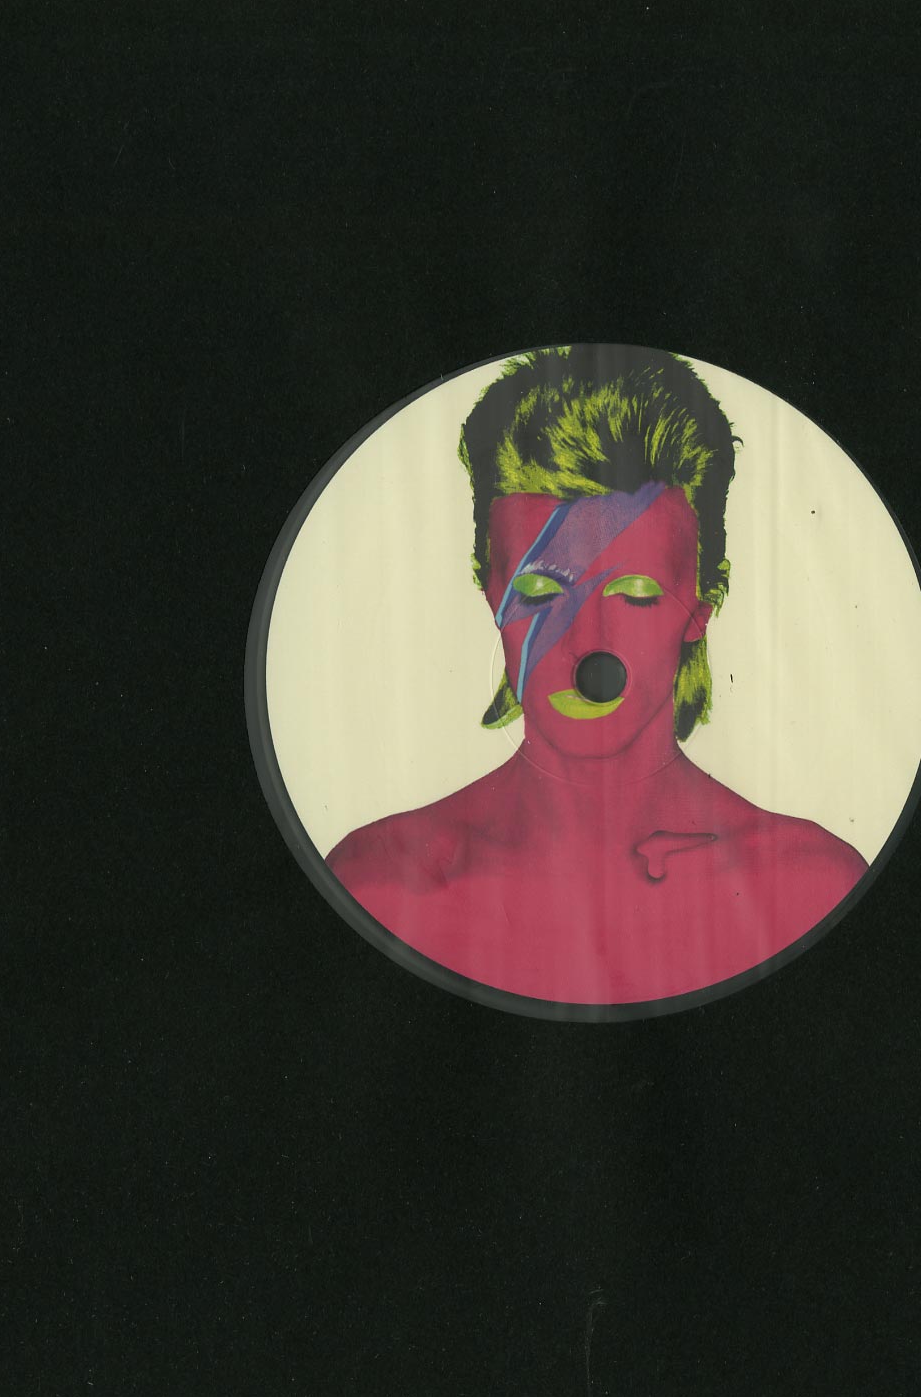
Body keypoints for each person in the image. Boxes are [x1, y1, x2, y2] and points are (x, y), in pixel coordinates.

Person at [328, 345, 866, 1004]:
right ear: (490, 592)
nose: (588, 649)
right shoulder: (377, 886)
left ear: (701, 607)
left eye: (635, 593)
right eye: (539, 591)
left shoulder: (811, 891)